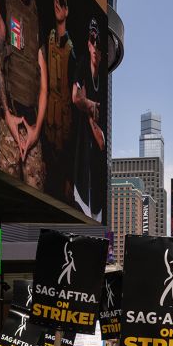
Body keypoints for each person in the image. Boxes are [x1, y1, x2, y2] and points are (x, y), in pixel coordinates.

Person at [0, 0, 46, 190]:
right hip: (10, 120)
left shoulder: (36, 13)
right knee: (6, 200)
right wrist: (7, 114)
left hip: (32, 126)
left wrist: (35, 132)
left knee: (34, 207)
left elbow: (44, 83)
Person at [43, 0, 76, 199]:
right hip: (46, 137)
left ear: (67, 7)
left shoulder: (73, 54)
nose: (57, 1)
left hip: (64, 145)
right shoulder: (46, 39)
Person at [71, 17, 106, 220]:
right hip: (82, 170)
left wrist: (89, 108)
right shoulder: (83, 63)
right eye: (92, 41)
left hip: (97, 175)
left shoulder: (102, 83)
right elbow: (76, 97)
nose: (95, 47)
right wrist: (90, 106)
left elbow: (101, 142)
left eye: (98, 43)